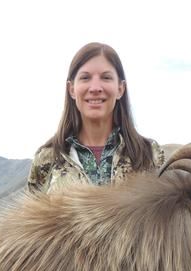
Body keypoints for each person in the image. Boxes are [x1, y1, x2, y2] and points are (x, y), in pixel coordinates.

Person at [27, 42, 166, 194]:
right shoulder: (46, 158)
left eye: (106, 77)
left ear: (120, 89)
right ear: (71, 89)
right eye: (85, 78)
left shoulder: (149, 154)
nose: (95, 88)